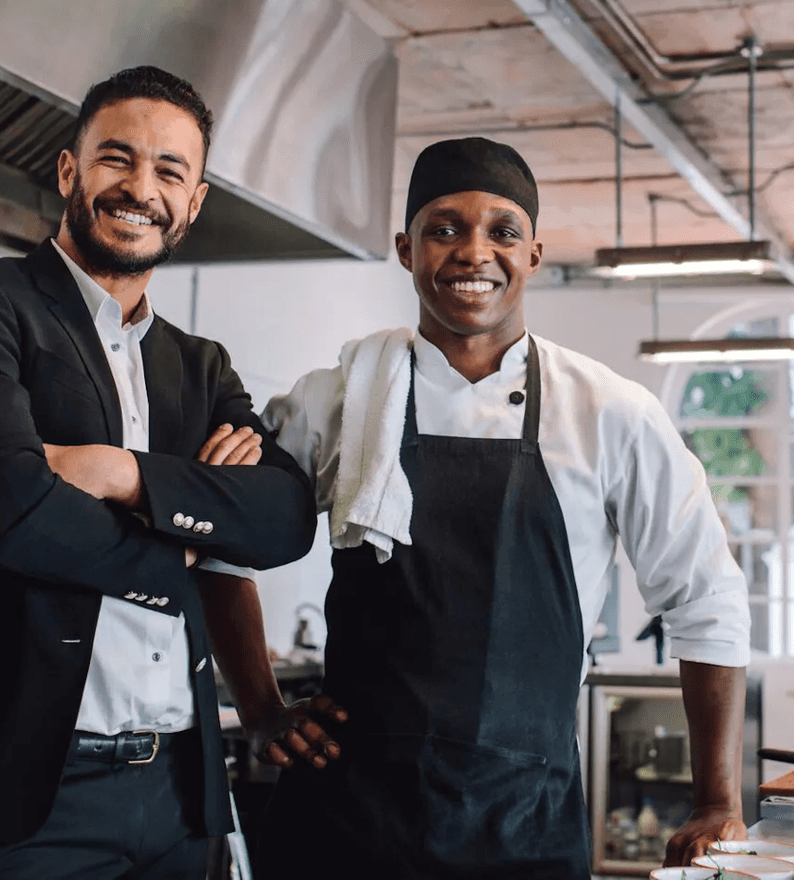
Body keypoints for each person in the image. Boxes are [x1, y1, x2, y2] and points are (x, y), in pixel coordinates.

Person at [0, 66, 316, 880]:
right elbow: (8, 513)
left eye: (169, 171)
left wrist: (120, 475)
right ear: (68, 170)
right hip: (12, 799)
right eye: (117, 158)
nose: (140, 189)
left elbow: (285, 517)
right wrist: (189, 540)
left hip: (178, 789)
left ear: (194, 202)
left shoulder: (199, 367)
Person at [205, 138, 752, 879]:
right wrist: (261, 708)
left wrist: (716, 800)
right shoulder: (334, 399)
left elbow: (706, 598)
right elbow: (222, 544)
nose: (473, 252)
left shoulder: (610, 413)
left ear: (533, 254)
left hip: (523, 825)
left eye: (502, 231)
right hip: (346, 818)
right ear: (406, 249)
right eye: (444, 228)